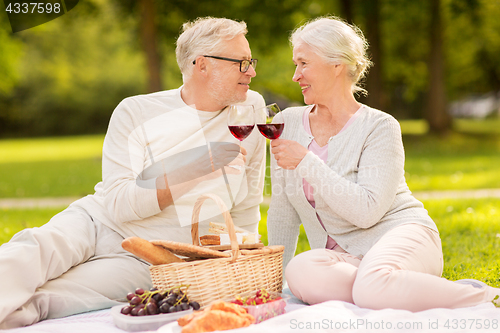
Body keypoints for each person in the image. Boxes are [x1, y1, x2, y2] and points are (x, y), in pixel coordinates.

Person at [0, 17, 266, 328]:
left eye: (251, 61)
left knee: (50, 299)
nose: (252, 71)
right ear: (202, 66)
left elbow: (247, 201)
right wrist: (196, 169)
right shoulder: (135, 111)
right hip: (98, 222)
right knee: (31, 252)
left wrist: (244, 264)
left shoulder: (251, 110)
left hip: (153, 257)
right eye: (242, 63)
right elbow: (119, 204)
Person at [267, 16, 500, 312]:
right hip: (347, 260)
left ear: (337, 64)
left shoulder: (379, 126)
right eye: (295, 65)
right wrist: (274, 289)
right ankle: (387, 286)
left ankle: (486, 297)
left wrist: (306, 161)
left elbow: (367, 212)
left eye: (303, 63)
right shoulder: (287, 123)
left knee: (372, 285)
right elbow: (282, 212)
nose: (295, 75)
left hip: (401, 235)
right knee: (300, 272)